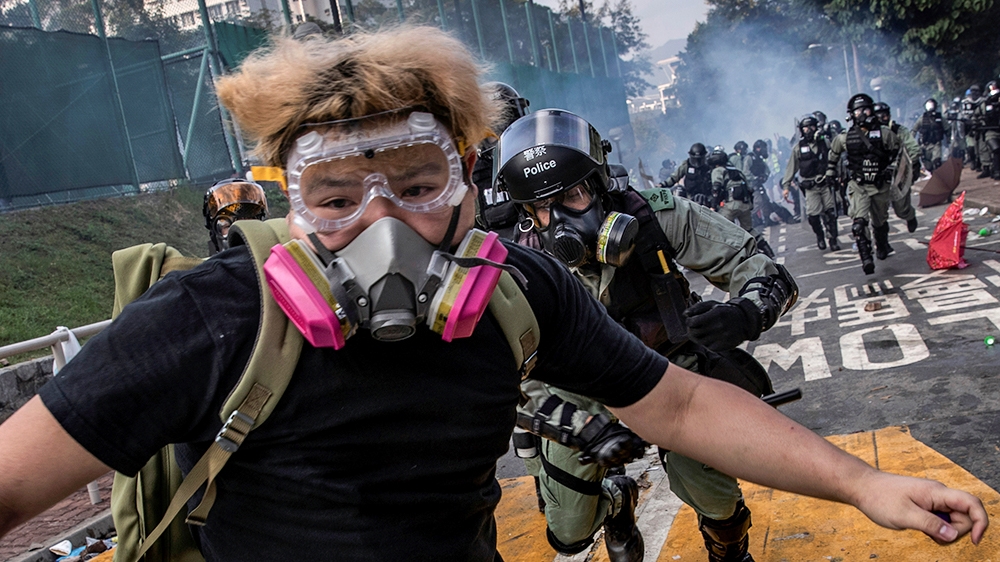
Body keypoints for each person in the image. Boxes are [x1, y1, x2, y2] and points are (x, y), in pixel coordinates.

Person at [0, 27, 988, 562]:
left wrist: (862, 483)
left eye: (419, 188)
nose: (384, 229)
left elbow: (680, 401)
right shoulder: (211, 318)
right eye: (335, 197)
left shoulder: (523, 288)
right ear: (284, 203)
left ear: (469, 185)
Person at [498, 109, 796, 562]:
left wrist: (746, 312)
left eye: (573, 195)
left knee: (717, 501)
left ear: (599, 186)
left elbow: (762, 268)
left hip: (669, 369)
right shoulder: (519, 265)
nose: (559, 221)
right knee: (568, 532)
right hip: (579, 392)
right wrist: (574, 425)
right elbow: (513, 380)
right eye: (542, 208)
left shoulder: (653, 216)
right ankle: (617, 502)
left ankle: (729, 551)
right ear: (525, 214)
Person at [827, 93, 902, 275]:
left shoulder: (885, 134)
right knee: (858, 224)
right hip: (858, 185)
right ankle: (866, 258)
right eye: (857, 110)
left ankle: (882, 244)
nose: (861, 114)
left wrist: (890, 169)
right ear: (851, 114)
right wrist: (830, 173)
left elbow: (898, 152)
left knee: (880, 222)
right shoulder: (845, 138)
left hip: (879, 185)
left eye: (865, 109)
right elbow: (833, 155)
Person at [472, 81, 529, 239]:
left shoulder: (539, 159)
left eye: (511, 123)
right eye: (496, 131)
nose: (506, 136)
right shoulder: (472, 177)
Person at [781, 116, 840, 252]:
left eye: (810, 127)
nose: (808, 131)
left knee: (831, 213)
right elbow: (791, 168)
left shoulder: (825, 142)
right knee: (813, 216)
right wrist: (786, 187)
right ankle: (820, 235)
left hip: (825, 183)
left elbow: (834, 157)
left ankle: (833, 239)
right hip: (811, 186)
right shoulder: (798, 148)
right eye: (805, 128)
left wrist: (836, 175)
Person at [708, 145, 776, 258]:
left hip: (731, 205)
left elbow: (716, 188)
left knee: (720, 227)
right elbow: (749, 189)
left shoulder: (718, 171)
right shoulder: (735, 170)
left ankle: (732, 255)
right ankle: (767, 250)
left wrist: (713, 206)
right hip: (745, 204)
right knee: (749, 229)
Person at [873, 102, 920, 233]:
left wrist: (910, 164)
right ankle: (882, 243)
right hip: (878, 177)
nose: (882, 118)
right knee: (878, 214)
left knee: (901, 210)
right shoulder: (869, 134)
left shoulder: (898, 130)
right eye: (878, 115)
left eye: (885, 115)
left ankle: (910, 216)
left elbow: (913, 149)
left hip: (898, 174)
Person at [202, 178, 269, 255]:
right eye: (228, 226)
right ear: (215, 231)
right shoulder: (211, 266)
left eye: (248, 223)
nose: (240, 232)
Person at [661, 143, 713, 207]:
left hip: (706, 197)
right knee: (678, 190)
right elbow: (674, 177)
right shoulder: (686, 165)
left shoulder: (709, 167)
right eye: (695, 159)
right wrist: (663, 184)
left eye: (699, 159)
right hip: (689, 196)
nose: (697, 162)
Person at [975, 79, 1000, 181]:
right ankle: (997, 171)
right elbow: (975, 116)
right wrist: (977, 123)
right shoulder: (984, 105)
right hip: (991, 131)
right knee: (996, 149)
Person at [913, 98, 946, 172]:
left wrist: (949, 138)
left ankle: (938, 178)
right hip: (925, 145)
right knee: (928, 166)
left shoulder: (940, 118)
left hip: (936, 144)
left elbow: (947, 128)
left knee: (937, 161)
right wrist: (910, 140)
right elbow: (914, 130)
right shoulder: (922, 119)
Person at [962, 85, 984, 171]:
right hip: (970, 130)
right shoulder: (965, 103)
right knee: (971, 147)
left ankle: (980, 163)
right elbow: (963, 116)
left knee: (981, 148)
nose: (974, 93)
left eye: (976, 91)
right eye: (972, 91)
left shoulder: (983, 101)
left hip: (982, 128)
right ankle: (973, 161)